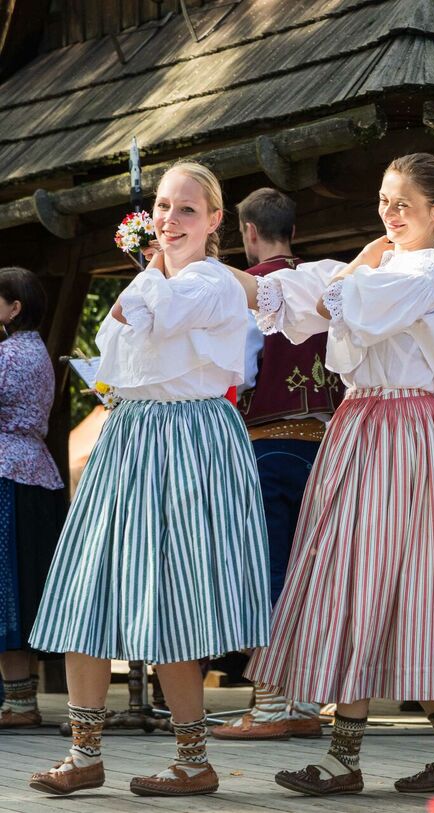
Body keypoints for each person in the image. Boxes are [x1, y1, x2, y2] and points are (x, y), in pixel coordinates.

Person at [236, 153, 434, 796]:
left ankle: (344, 756)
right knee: (371, 579)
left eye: (403, 203)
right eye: (383, 200)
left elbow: (342, 298)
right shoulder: (392, 265)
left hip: (401, 430)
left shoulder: (433, 268)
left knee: (371, 575)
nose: (389, 213)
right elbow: (321, 307)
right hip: (363, 425)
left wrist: (356, 265)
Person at [27, 162, 270, 797]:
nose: (169, 219)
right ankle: (84, 753)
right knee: (86, 589)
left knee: (171, 598)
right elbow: (112, 357)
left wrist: (152, 269)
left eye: (187, 210)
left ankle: (193, 759)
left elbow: (152, 317)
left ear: (216, 221)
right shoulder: (153, 277)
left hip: (189, 440)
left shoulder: (211, 281)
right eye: (163, 207)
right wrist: (150, 268)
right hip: (130, 437)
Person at [211, 188, 343, 742]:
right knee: (310, 577)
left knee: (265, 571)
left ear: (247, 231)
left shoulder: (251, 293)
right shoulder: (324, 286)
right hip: (330, 447)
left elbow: (235, 372)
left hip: (268, 447)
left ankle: (269, 708)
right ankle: (307, 705)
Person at [0, 267, 67, 729]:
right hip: (35, 472)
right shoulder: (36, 351)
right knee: (20, 587)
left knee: (7, 587)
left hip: (6, 470)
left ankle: (20, 702)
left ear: (14, 307)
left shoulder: (7, 354)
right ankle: (20, 701)